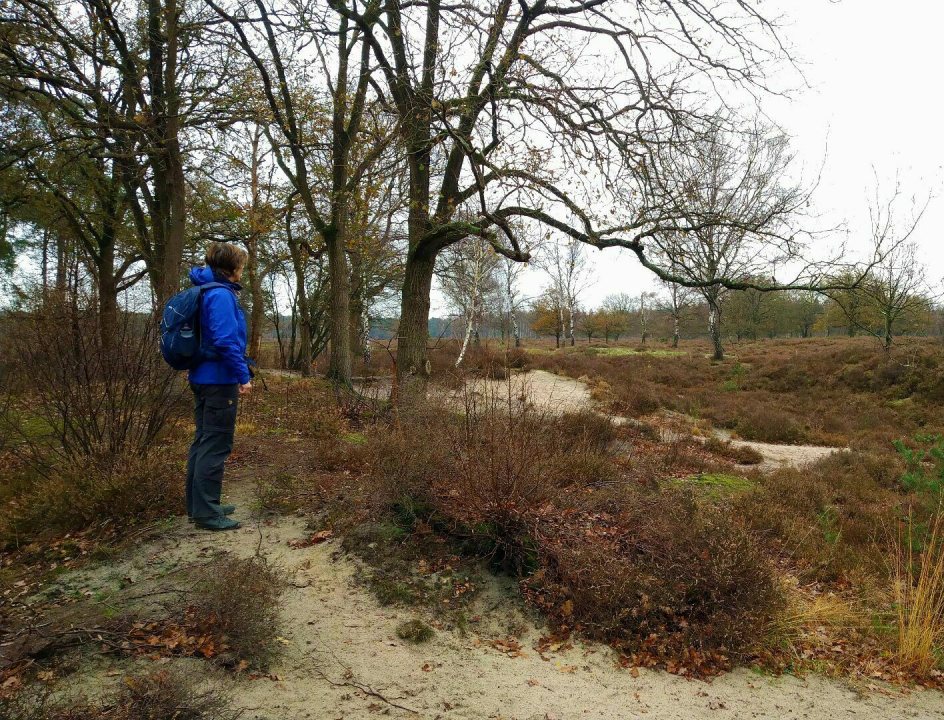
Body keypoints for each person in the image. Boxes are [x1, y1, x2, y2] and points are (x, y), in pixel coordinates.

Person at [186, 242, 252, 531]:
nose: (242, 271)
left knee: (203, 441)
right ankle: (207, 512)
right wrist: (242, 376)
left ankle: (200, 505)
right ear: (233, 268)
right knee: (215, 444)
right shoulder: (221, 295)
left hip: (201, 376)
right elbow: (225, 341)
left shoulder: (204, 289)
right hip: (218, 379)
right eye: (241, 266)